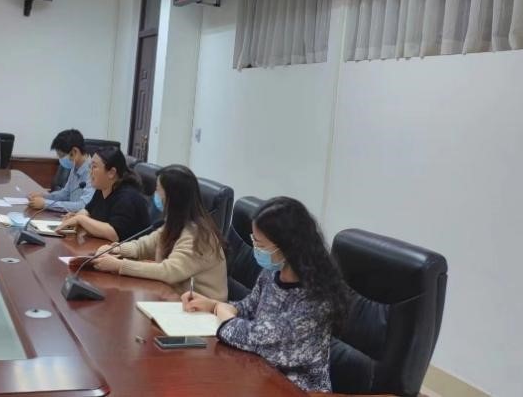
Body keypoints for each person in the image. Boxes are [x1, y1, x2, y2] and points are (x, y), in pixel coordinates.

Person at [182, 197, 350, 394]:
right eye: (254, 240)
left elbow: (257, 337)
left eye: (260, 244)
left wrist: (225, 316)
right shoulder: (271, 273)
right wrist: (212, 305)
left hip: (298, 388)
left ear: (286, 246)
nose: (255, 248)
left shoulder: (316, 301)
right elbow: (249, 307)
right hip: (259, 374)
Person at [92, 164, 228, 300]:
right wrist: (115, 250)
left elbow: (168, 272)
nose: (154, 195)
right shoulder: (175, 223)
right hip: (175, 299)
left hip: (202, 309)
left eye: (158, 190)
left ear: (173, 197)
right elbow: (143, 246)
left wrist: (119, 265)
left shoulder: (197, 236)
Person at [60, 146, 149, 242]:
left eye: (94, 167)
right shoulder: (102, 188)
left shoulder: (127, 198)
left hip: (127, 250)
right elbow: (88, 211)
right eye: (90, 167)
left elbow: (114, 234)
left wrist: (80, 219)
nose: (90, 172)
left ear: (111, 172)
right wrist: (74, 218)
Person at [28, 129, 94, 213]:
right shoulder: (75, 166)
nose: (60, 159)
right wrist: (44, 196)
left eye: (61, 155)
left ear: (74, 151)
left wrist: (46, 204)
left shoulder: (93, 171)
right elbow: (65, 194)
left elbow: (83, 206)